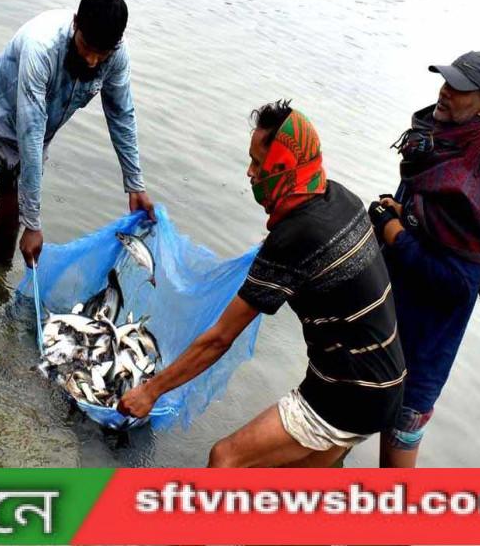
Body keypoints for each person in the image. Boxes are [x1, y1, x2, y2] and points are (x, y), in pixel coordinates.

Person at [119, 101, 406, 467]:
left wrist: (151, 391)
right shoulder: (340, 197)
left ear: (282, 167)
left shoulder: (294, 237)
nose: (250, 173)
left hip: (345, 393)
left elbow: (220, 338)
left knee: (225, 459)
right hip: (388, 384)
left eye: (258, 163)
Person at [0, 0, 154, 270]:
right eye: (87, 47)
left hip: (34, 140)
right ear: (75, 24)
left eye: (102, 53)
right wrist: (33, 224)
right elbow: (30, 131)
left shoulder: (116, 55)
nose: (92, 60)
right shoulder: (42, 46)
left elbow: (121, 115)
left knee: (8, 238)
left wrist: (135, 183)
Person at [370, 52, 480, 467]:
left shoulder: (479, 173)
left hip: (418, 356)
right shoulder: (440, 147)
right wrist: (401, 214)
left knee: (393, 488)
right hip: (380, 334)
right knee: (328, 450)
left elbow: (459, 285)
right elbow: (432, 225)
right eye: (446, 82)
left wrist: (394, 232)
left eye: (459, 89)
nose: (445, 92)